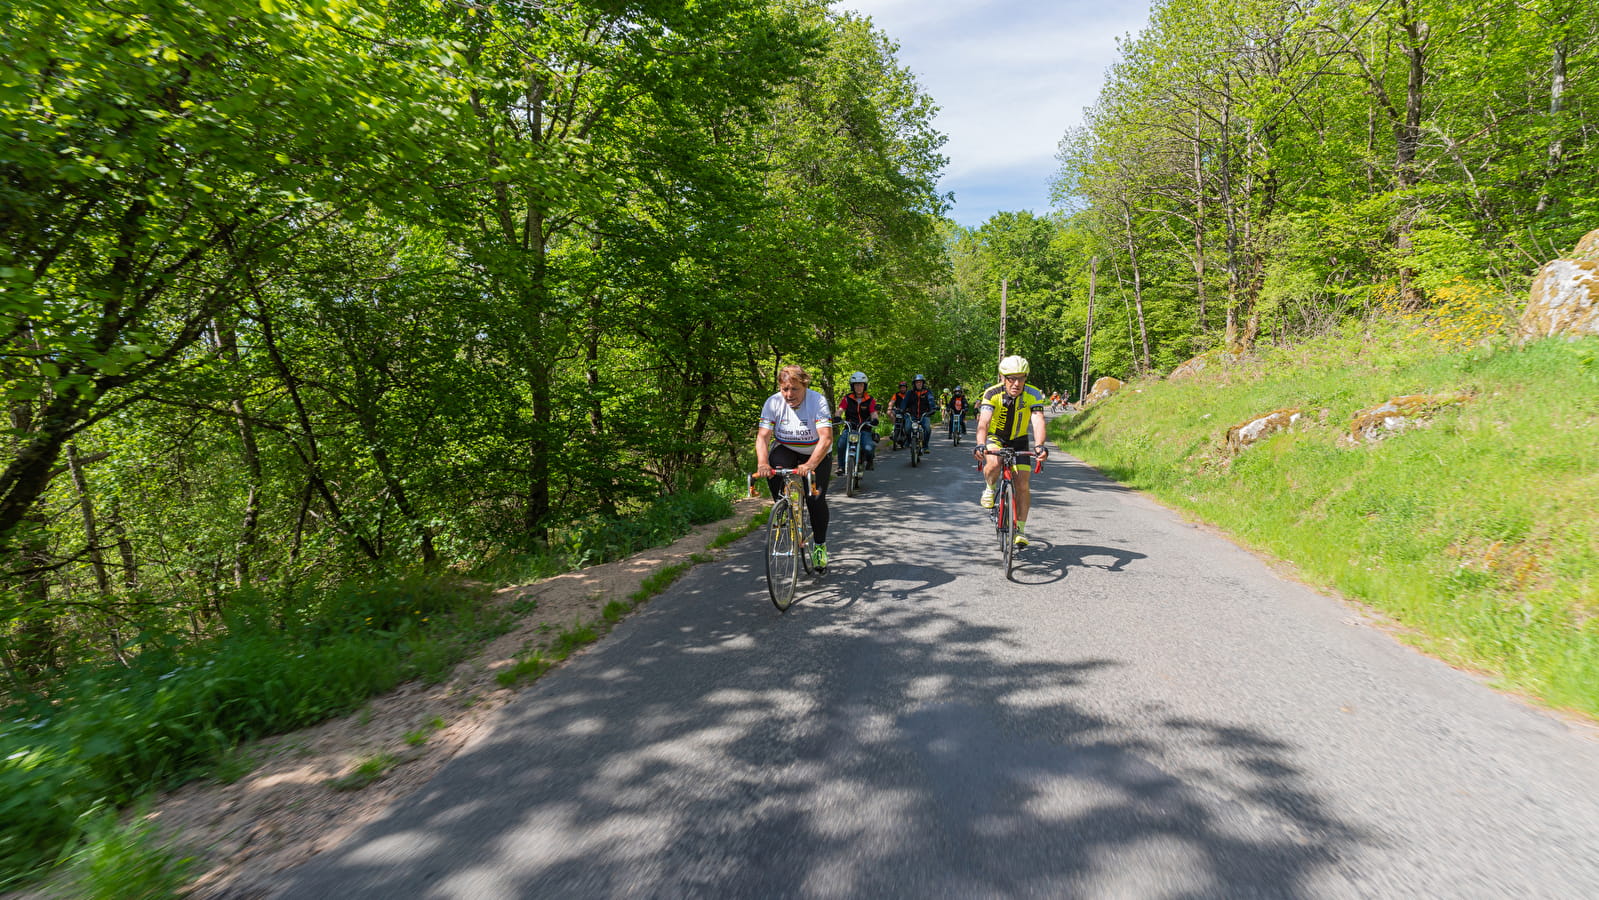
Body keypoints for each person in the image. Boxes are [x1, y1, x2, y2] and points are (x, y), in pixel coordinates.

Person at [756, 365, 833, 572]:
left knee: (815, 499)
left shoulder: (817, 401)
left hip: (815, 451)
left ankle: (819, 546)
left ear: (805, 385)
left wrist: (810, 465)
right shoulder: (773, 402)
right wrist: (762, 463)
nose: (789, 395)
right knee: (774, 469)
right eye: (785, 389)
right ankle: (784, 508)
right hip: (786, 447)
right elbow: (763, 436)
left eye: (795, 389)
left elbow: (825, 439)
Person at [973, 355, 1049, 547]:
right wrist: (981, 444)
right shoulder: (992, 394)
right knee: (994, 462)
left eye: (1021, 378)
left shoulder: (1033, 394)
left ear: (1026, 378)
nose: (1016, 383)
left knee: (1022, 484)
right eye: (1011, 378)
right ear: (1002, 377)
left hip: (1019, 440)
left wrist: (1039, 445)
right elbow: (984, 421)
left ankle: (1020, 530)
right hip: (995, 437)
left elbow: (1038, 419)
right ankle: (990, 488)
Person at [834, 371, 879, 474]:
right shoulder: (847, 398)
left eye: (861, 385)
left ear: (865, 386)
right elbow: (840, 409)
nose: (858, 387)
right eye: (856, 385)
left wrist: (875, 420)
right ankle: (841, 466)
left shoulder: (870, 400)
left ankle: (869, 460)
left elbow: (873, 413)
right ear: (852, 386)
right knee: (841, 444)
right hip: (850, 428)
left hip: (864, 428)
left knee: (868, 447)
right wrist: (837, 416)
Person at [896, 374, 936, 452]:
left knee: (927, 428)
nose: (919, 384)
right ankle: (908, 440)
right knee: (907, 428)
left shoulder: (927, 392)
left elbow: (931, 401)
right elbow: (904, 402)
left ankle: (925, 446)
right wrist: (902, 410)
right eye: (917, 382)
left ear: (923, 383)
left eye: (920, 382)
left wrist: (932, 409)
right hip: (911, 415)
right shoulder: (909, 393)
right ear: (914, 384)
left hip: (924, 415)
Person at [888, 381, 910, 448]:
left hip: (907, 412)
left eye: (904, 387)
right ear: (899, 388)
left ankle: (908, 437)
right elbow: (891, 402)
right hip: (898, 411)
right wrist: (889, 408)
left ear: (906, 388)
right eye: (901, 387)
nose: (902, 389)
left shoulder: (909, 395)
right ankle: (894, 427)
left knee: (908, 426)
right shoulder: (896, 395)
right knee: (889, 413)